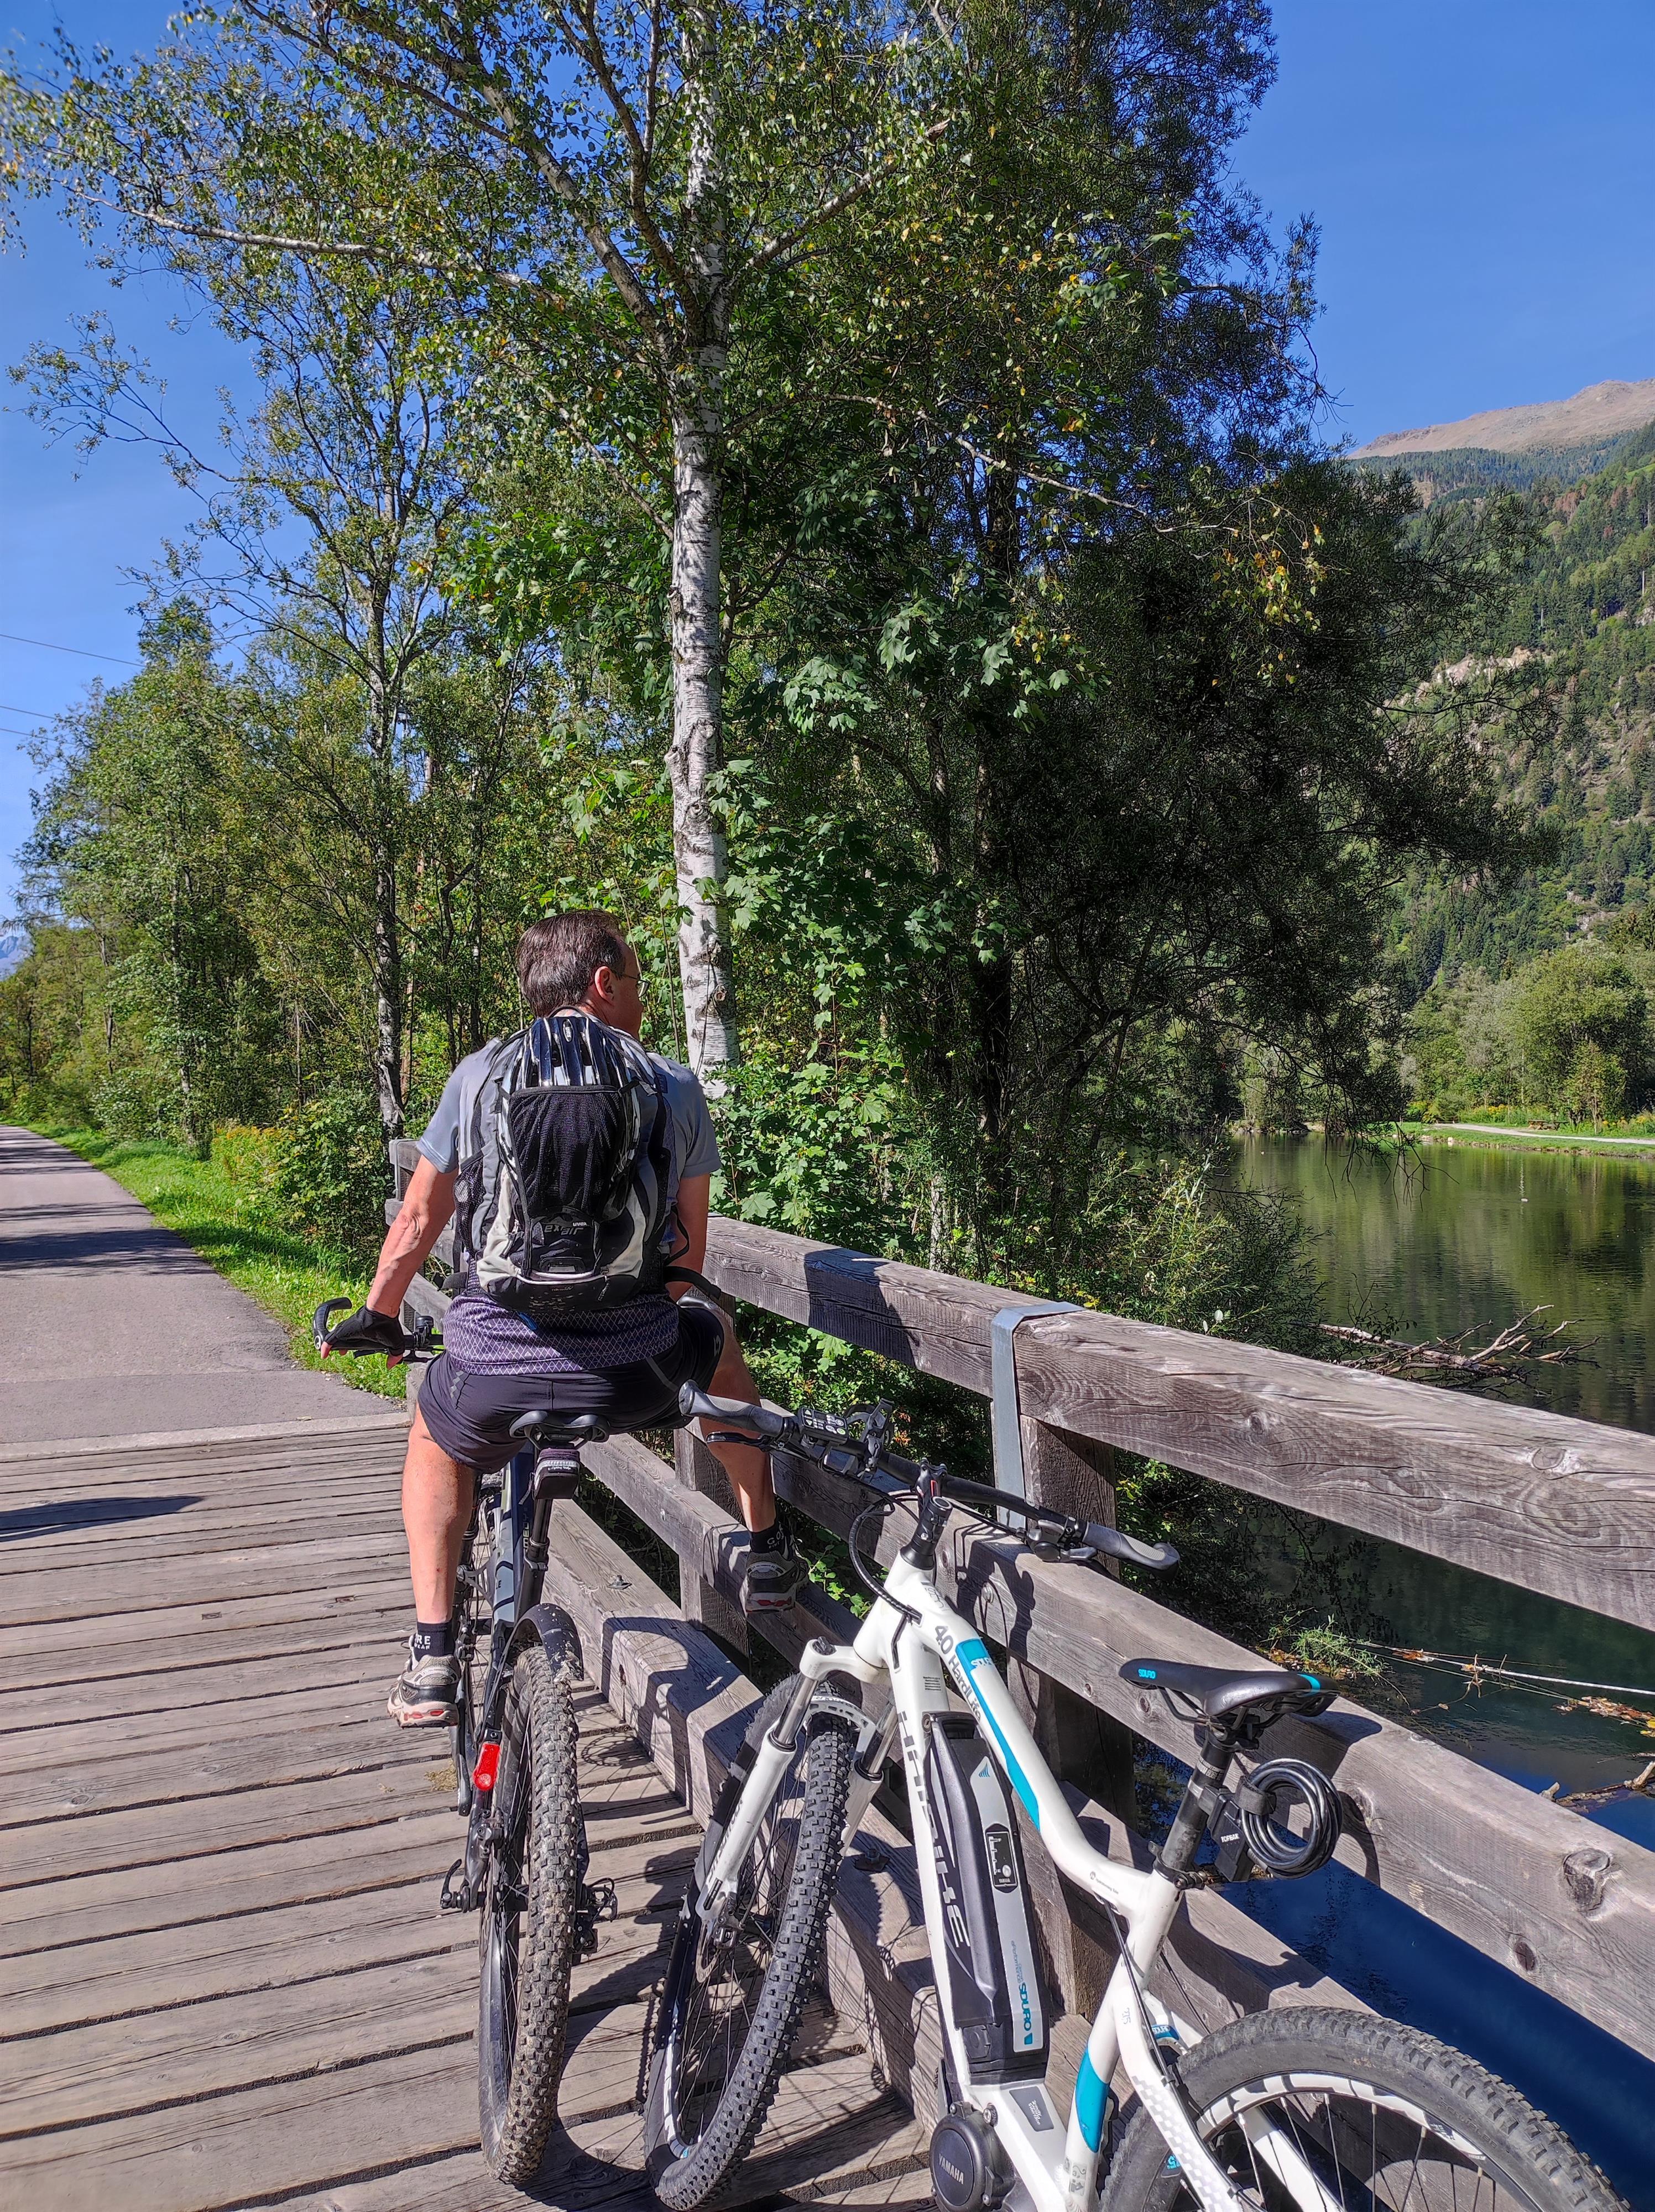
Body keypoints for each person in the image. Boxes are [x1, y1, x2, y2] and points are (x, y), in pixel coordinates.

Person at [327, 908, 802, 1726]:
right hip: (636, 1374)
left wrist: (378, 1312)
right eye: (639, 984)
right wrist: (635, 1323)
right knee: (718, 1340)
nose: (643, 1002)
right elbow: (688, 1254)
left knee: (433, 1433)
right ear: (603, 983)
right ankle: (764, 1546)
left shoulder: (480, 1074)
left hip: (494, 1372)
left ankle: (433, 1654)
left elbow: (418, 1221)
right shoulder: (671, 1085)